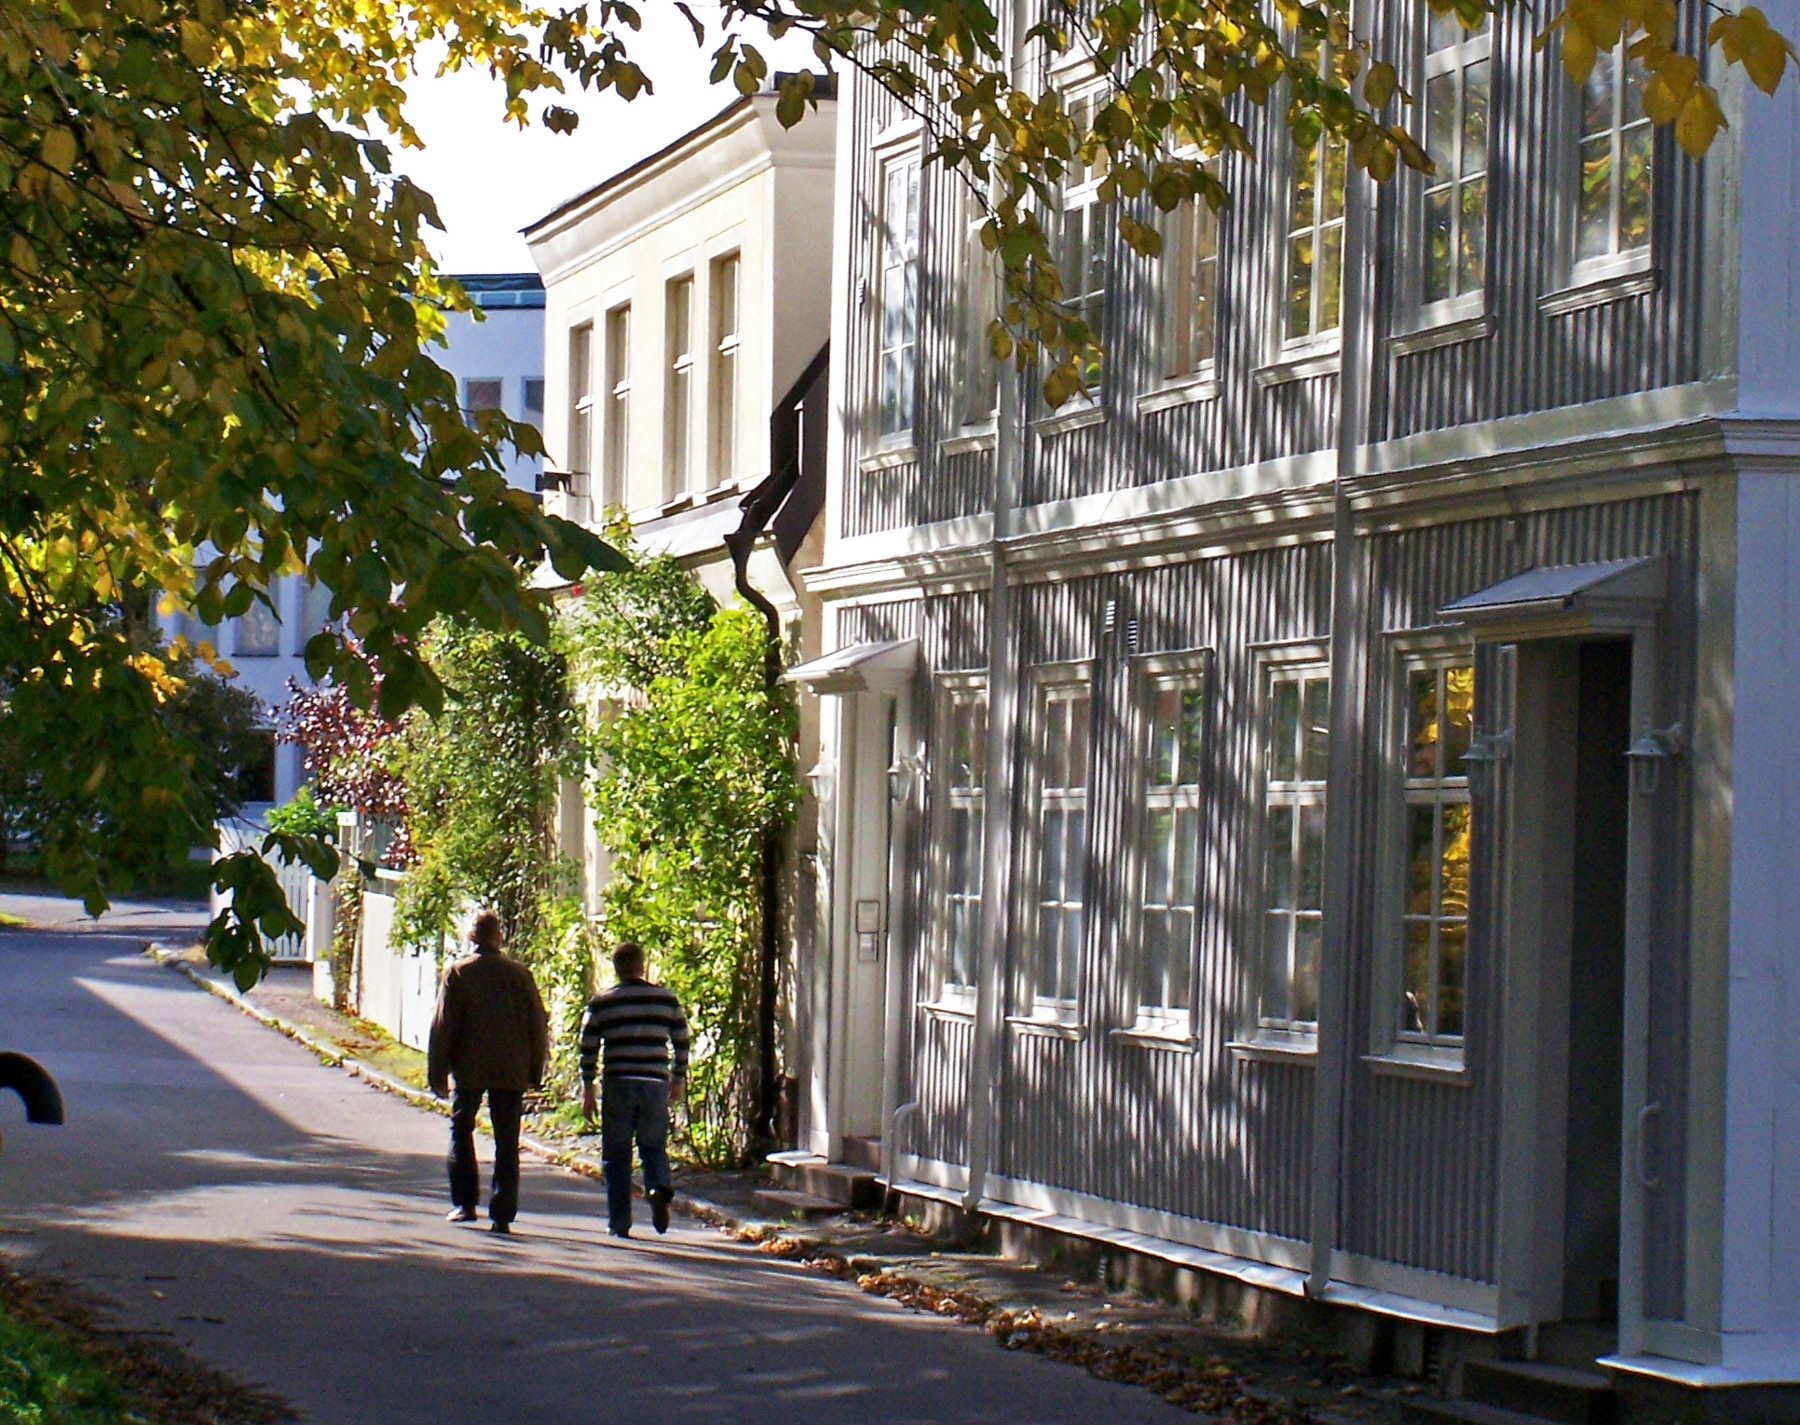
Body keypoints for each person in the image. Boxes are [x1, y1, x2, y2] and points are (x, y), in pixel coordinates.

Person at [427, 910, 549, 1236]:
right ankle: (503, 1213)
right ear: (499, 937)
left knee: (461, 1128)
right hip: (510, 1067)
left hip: (469, 1066)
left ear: (471, 938)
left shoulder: (459, 973)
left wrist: (437, 1070)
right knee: (507, 1140)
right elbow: (538, 1023)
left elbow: (443, 1026)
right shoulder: (520, 974)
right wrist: (535, 1068)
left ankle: (465, 1203)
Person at [578, 942, 690, 1238]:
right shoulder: (666, 1000)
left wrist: (587, 1086)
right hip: (654, 1084)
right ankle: (657, 1187)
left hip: (618, 1083)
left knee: (616, 1154)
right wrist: (677, 1077)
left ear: (615, 968)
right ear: (643, 965)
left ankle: (619, 1222)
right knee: (653, 1146)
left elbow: (587, 1045)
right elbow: (681, 1039)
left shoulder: (602, 1002)